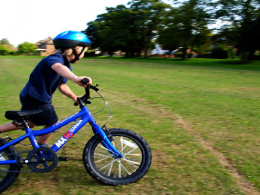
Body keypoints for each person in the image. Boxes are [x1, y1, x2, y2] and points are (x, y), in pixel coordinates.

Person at [0, 30, 92, 147]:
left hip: (31, 96)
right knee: (53, 122)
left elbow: (62, 85)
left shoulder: (65, 65)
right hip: (37, 97)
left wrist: (74, 97)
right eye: (84, 50)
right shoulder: (55, 59)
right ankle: (42, 147)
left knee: (30, 123)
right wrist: (75, 78)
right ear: (77, 49)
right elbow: (57, 67)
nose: (84, 54)